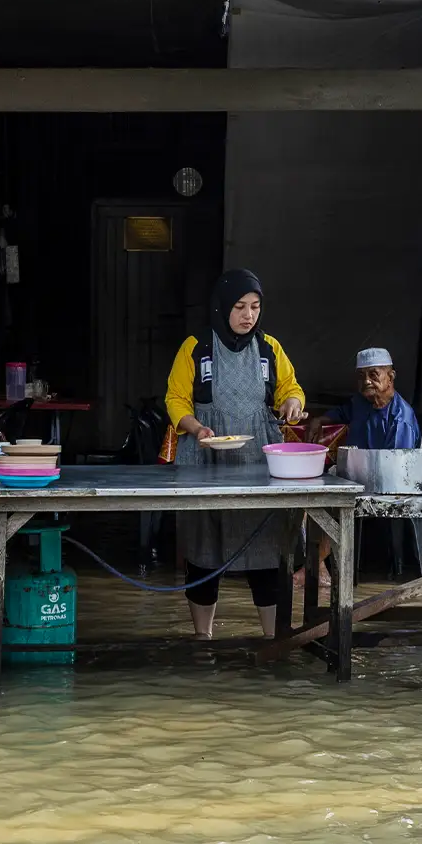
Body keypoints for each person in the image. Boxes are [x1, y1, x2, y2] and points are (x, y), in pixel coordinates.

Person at [165, 269, 306, 640]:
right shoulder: (197, 347)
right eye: (240, 307)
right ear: (222, 307)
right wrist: (196, 429)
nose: (248, 315)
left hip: (257, 461)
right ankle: (203, 638)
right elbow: (176, 399)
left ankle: (273, 640)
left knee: (266, 548)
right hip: (205, 460)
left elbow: (290, 388)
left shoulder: (269, 348)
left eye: (255, 307)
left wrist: (292, 402)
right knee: (203, 549)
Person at [306, 348, 420, 450]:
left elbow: (396, 466)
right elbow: (342, 413)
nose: (366, 381)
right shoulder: (361, 401)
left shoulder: (400, 420)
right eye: (361, 376)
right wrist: (319, 420)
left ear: (390, 377)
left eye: (373, 374)